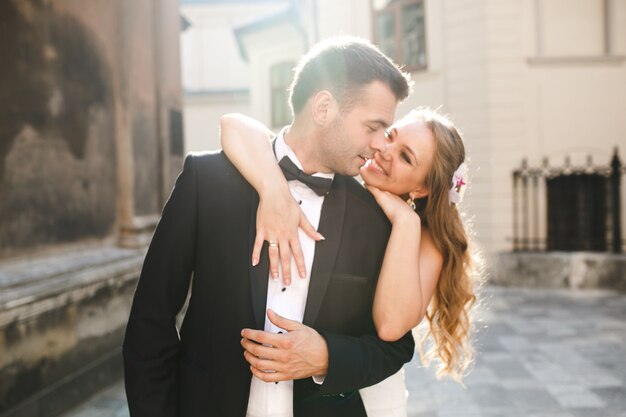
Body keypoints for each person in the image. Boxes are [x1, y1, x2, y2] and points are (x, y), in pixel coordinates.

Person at [123, 36, 417, 417]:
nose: (381, 145)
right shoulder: (206, 181)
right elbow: (151, 320)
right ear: (324, 107)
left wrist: (328, 356)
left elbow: (395, 347)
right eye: (373, 127)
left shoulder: (374, 217)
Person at [220, 107, 482, 414]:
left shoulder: (426, 241)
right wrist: (272, 187)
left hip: (372, 396)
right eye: (389, 136)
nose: (384, 151)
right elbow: (233, 125)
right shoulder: (337, 167)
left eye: (405, 157)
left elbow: (390, 326)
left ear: (421, 188)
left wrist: (405, 222)